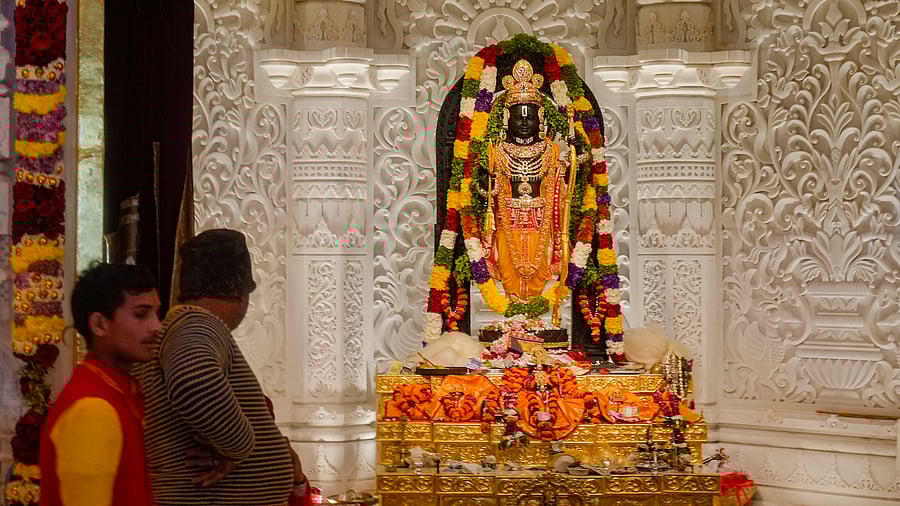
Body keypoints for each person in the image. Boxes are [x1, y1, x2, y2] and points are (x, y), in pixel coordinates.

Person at [135, 228, 305, 505]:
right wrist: (238, 447)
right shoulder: (195, 323)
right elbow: (193, 381)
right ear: (240, 294)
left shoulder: (182, 326)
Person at [40, 262, 161, 506]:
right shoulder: (93, 407)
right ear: (99, 324)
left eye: (157, 313)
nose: (156, 326)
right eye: (141, 314)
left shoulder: (116, 390)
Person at [481, 59, 567, 302]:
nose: (525, 122)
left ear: (541, 119)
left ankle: (534, 312)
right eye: (519, 117)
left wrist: (566, 170)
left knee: (539, 264)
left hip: (541, 219)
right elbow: (488, 188)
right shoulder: (497, 151)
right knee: (509, 265)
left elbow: (557, 184)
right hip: (507, 218)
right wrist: (485, 182)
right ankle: (512, 309)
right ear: (508, 119)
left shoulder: (550, 150)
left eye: (531, 118)